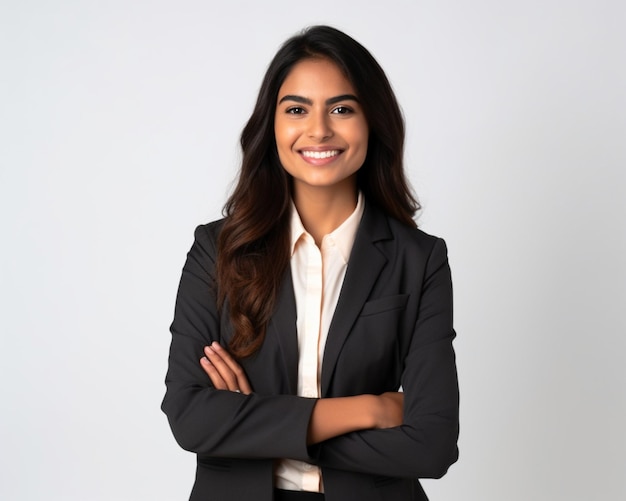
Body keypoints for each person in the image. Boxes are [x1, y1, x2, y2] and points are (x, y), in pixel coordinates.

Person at [162, 25, 459, 501]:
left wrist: (258, 423)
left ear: (372, 122)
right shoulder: (216, 252)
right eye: (297, 109)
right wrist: (368, 410)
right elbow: (189, 416)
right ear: (272, 125)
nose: (319, 129)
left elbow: (432, 444)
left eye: (341, 109)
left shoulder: (419, 260)